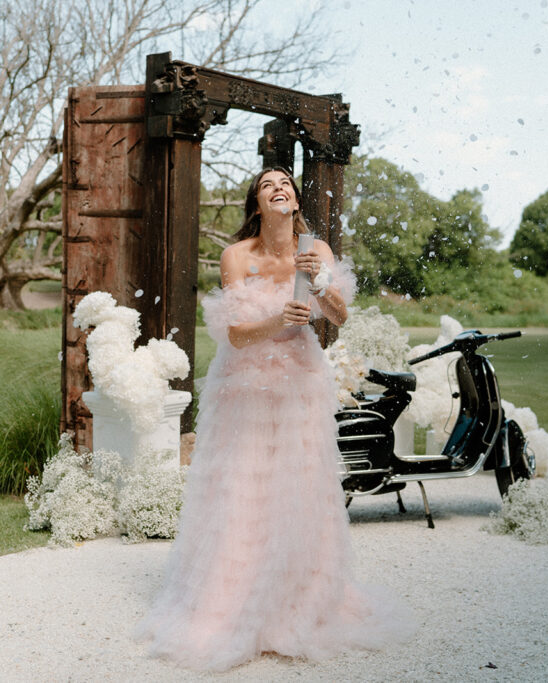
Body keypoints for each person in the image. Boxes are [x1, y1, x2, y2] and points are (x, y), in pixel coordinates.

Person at [134, 168, 413, 671]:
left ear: (295, 200)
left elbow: (338, 315)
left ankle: (297, 602)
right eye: (267, 184)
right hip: (244, 383)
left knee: (299, 487)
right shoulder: (236, 256)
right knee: (242, 486)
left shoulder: (315, 249)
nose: (279, 186)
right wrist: (278, 318)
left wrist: (321, 282)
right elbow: (236, 334)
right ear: (257, 205)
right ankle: (233, 601)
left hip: (301, 381)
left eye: (285, 181)